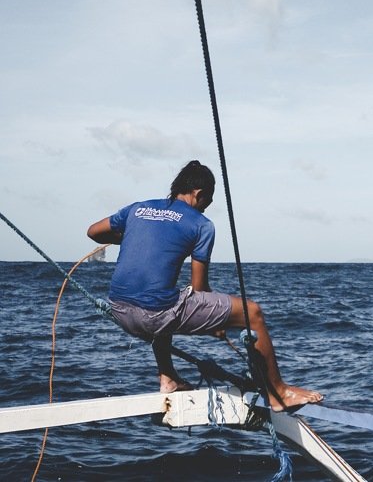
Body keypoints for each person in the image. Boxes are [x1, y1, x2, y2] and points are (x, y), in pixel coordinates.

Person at [87, 159, 323, 410]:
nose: (206, 208)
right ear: (198, 194)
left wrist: (132, 236)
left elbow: (93, 231)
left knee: (166, 296)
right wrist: (216, 324)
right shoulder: (201, 225)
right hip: (154, 317)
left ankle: (167, 377)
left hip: (120, 311)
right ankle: (278, 393)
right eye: (207, 202)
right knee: (251, 312)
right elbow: (198, 289)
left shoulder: (137, 209)